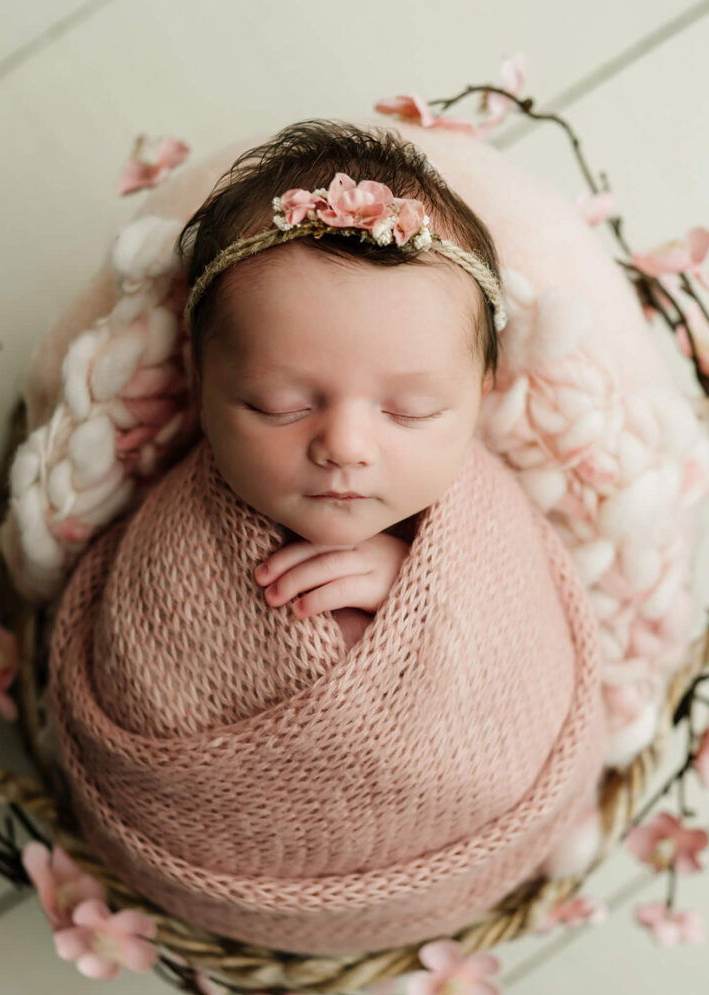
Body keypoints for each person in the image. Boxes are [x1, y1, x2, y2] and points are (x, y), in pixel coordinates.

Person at [175, 119, 506, 648]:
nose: (345, 447)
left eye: (411, 409)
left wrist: (425, 590)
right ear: (201, 385)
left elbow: (532, 639)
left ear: (481, 395)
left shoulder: (496, 536)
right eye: (278, 404)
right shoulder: (174, 556)